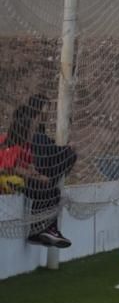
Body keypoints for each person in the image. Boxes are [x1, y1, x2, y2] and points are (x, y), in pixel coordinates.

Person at [0, 101, 71, 247]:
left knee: (52, 191)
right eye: (31, 129)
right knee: (44, 190)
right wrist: (35, 176)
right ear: (23, 129)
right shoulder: (11, 143)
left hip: (21, 181)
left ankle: (41, 230)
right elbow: (9, 168)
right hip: (7, 181)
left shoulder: (27, 146)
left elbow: (28, 167)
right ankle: (42, 230)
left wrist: (36, 174)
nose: (33, 132)